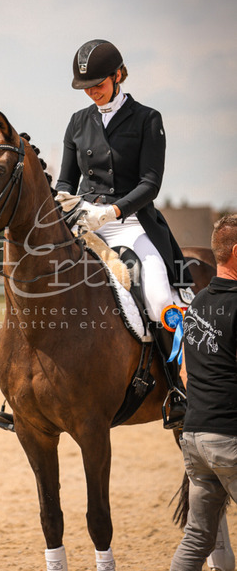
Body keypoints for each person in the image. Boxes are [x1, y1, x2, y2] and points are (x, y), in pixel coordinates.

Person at [55, 38, 193, 427]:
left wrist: (111, 211)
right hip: (85, 225)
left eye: (98, 84)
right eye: (85, 87)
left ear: (118, 76)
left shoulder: (147, 119)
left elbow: (150, 184)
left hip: (131, 225)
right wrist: (65, 201)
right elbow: (66, 180)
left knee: (159, 298)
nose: (92, 92)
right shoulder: (78, 122)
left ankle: (178, 390)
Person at [170, 214, 237, 571]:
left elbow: (184, 371)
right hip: (229, 438)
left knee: (196, 538)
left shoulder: (195, 303)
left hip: (195, 438)